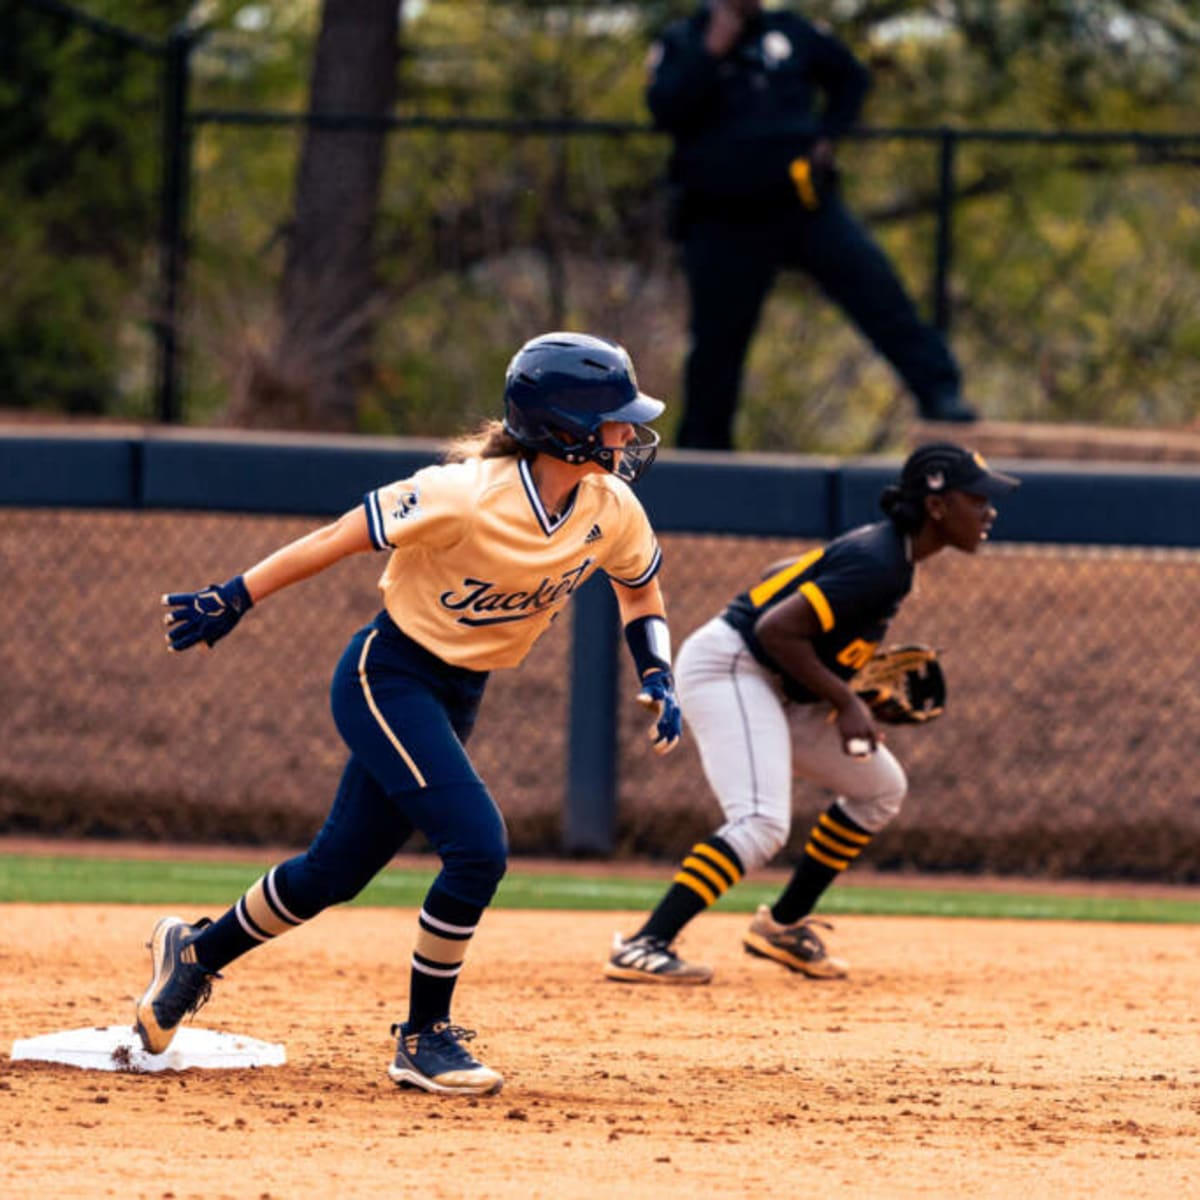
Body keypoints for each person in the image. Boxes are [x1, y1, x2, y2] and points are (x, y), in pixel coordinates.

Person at [136, 332, 684, 1095]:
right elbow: (338, 538)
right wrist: (235, 595)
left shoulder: (610, 506)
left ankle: (196, 953)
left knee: (336, 870)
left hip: (461, 690)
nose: (628, 433)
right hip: (388, 674)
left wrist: (656, 670)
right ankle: (423, 1036)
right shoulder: (464, 493)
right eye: (615, 418)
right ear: (561, 426)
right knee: (478, 846)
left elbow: (640, 592)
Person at [604, 441, 1017, 984]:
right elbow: (775, 629)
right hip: (734, 667)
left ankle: (783, 925)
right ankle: (645, 943)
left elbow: (784, 575)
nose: (989, 510)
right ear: (937, 506)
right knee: (760, 821)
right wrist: (844, 700)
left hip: (774, 681)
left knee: (878, 788)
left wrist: (844, 691)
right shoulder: (881, 561)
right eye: (976, 498)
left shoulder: (893, 556)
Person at [647, 0, 977, 451]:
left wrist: (828, 134)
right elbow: (665, 109)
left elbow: (852, 78)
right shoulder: (682, 41)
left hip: (802, 202)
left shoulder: (792, 32)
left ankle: (940, 392)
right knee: (716, 344)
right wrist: (712, 51)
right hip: (722, 216)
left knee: (878, 290)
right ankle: (707, 450)